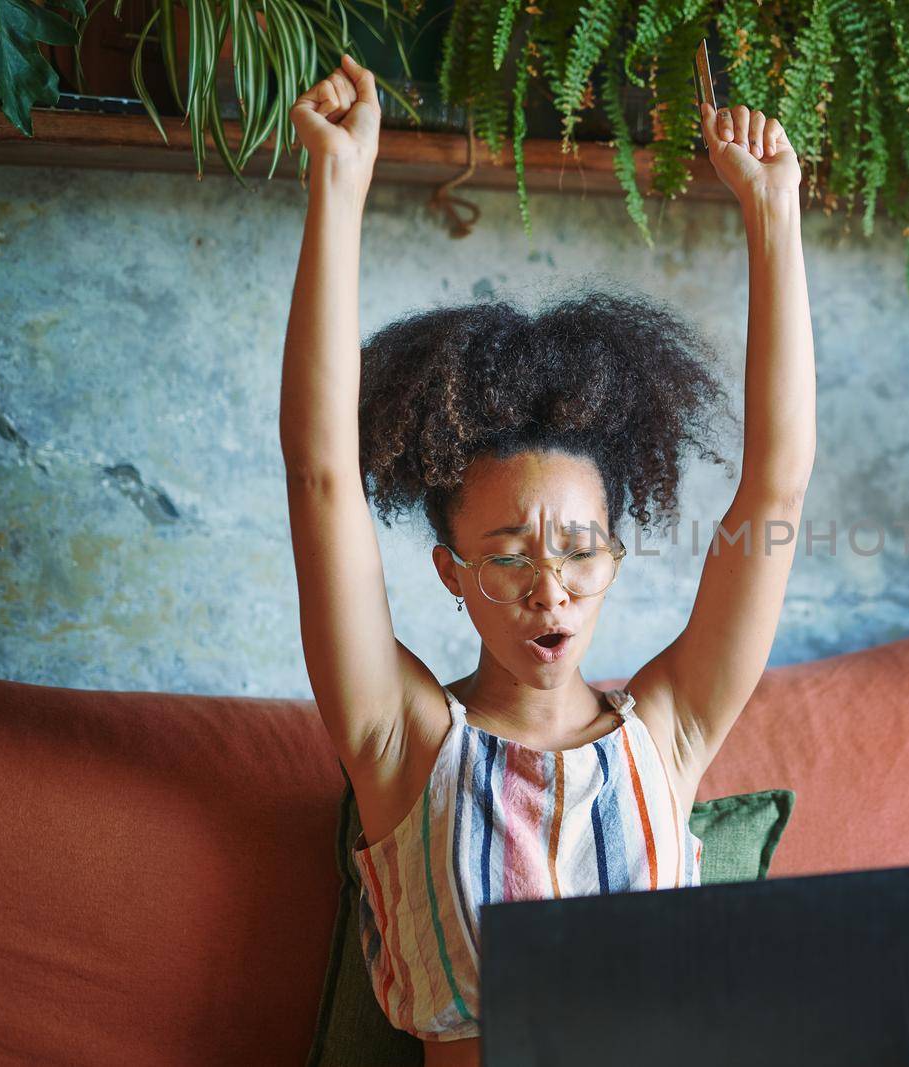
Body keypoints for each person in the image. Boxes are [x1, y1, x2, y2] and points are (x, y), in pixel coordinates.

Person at [280, 52, 814, 1067]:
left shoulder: (672, 727)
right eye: (510, 551)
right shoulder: (405, 742)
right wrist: (337, 186)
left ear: (615, 549)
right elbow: (320, 477)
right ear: (450, 569)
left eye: (579, 546)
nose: (550, 584)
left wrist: (775, 214)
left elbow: (776, 487)